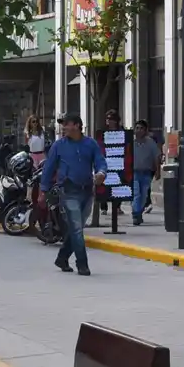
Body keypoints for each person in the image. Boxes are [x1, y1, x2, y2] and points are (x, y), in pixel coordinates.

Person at [41, 112, 107, 276]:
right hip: (68, 190)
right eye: (63, 125)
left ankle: (62, 258)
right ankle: (82, 264)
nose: (64, 128)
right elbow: (48, 168)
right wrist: (43, 190)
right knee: (77, 229)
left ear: (77, 125)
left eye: (67, 124)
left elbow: (100, 161)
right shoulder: (59, 146)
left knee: (75, 228)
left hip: (87, 191)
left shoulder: (90, 144)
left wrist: (101, 173)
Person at [131, 120, 160, 226]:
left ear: (146, 130)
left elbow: (156, 156)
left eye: (141, 128)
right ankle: (136, 214)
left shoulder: (150, 142)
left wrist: (158, 170)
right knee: (136, 193)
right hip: (134, 172)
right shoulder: (131, 142)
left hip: (146, 173)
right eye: (137, 128)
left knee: (143, 195)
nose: (139, 130)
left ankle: (139, 213)